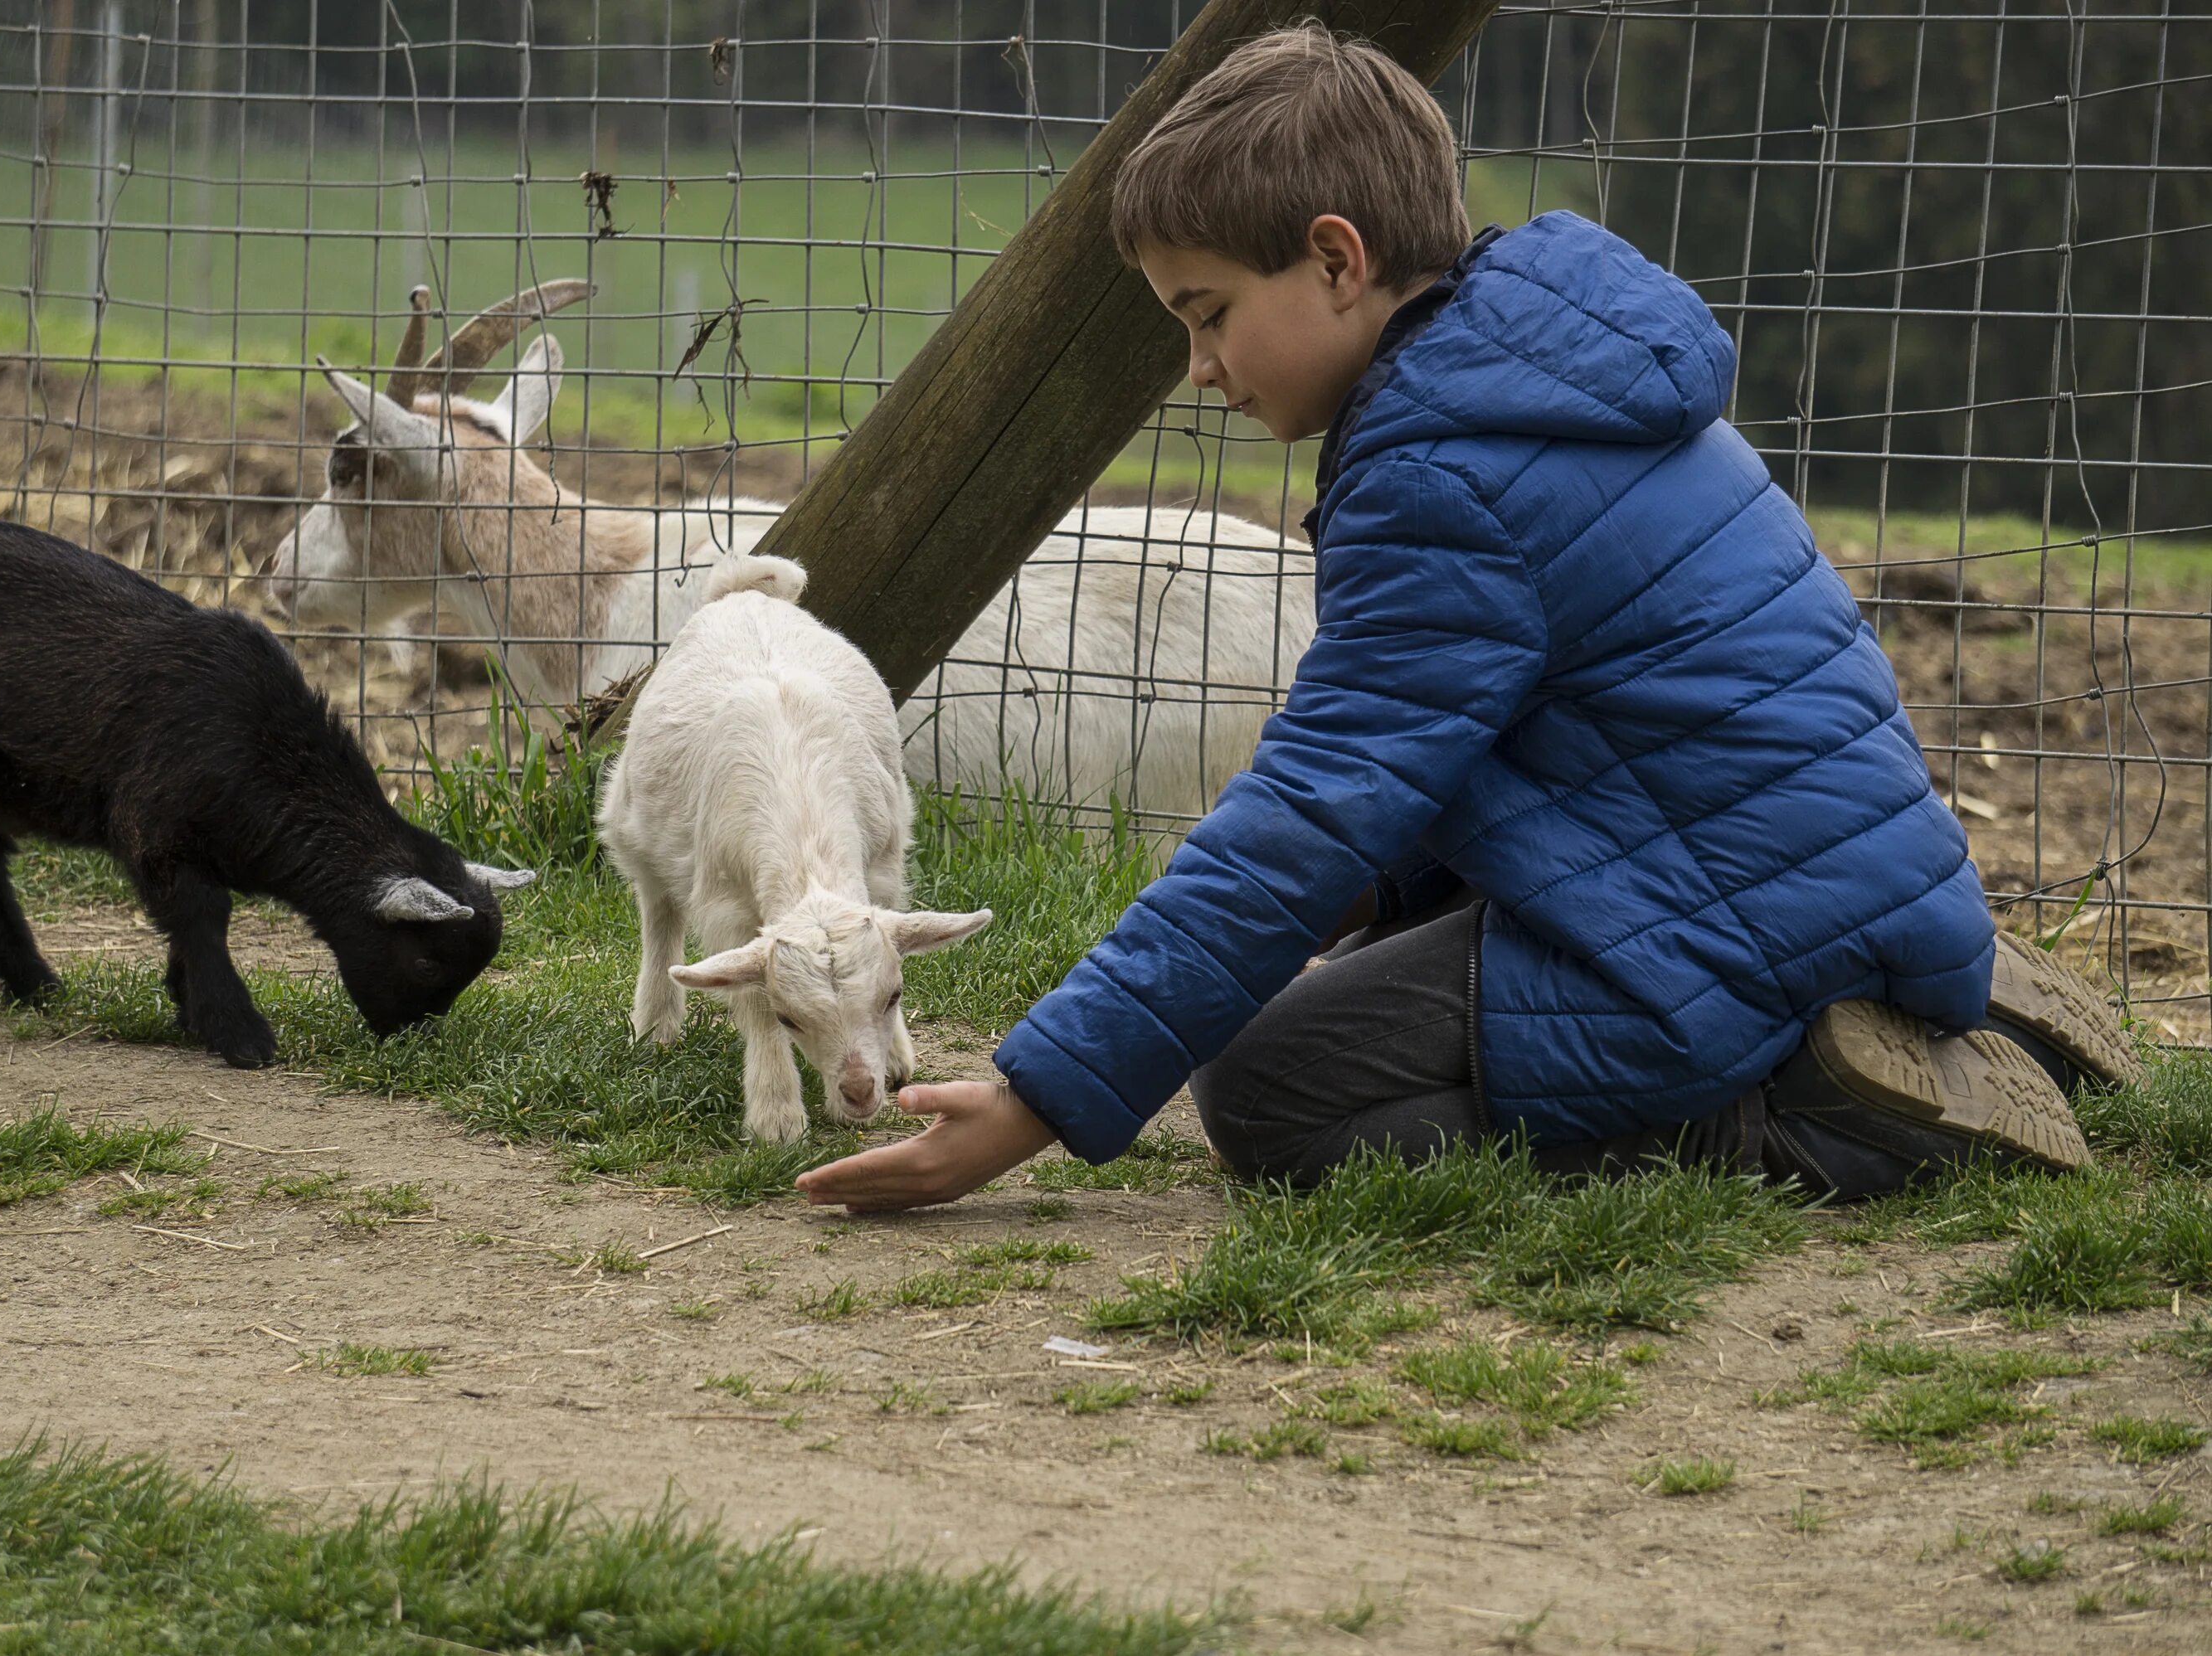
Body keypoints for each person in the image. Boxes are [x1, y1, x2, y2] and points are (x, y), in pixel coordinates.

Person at [795, 23, 2136, 1213]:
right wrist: (1381, 890)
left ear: (1335, 259)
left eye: (1208, 316)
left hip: (1726, 915)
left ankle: (1813, 1108)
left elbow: (1316, 803)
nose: (1198, 368)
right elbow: (1508, 734)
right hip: (1807, 860)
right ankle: (1909, 974)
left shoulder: (1439, 475)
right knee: (1350, 959)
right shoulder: (1538, 363)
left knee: (1268, 1089)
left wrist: (1043, 1096)